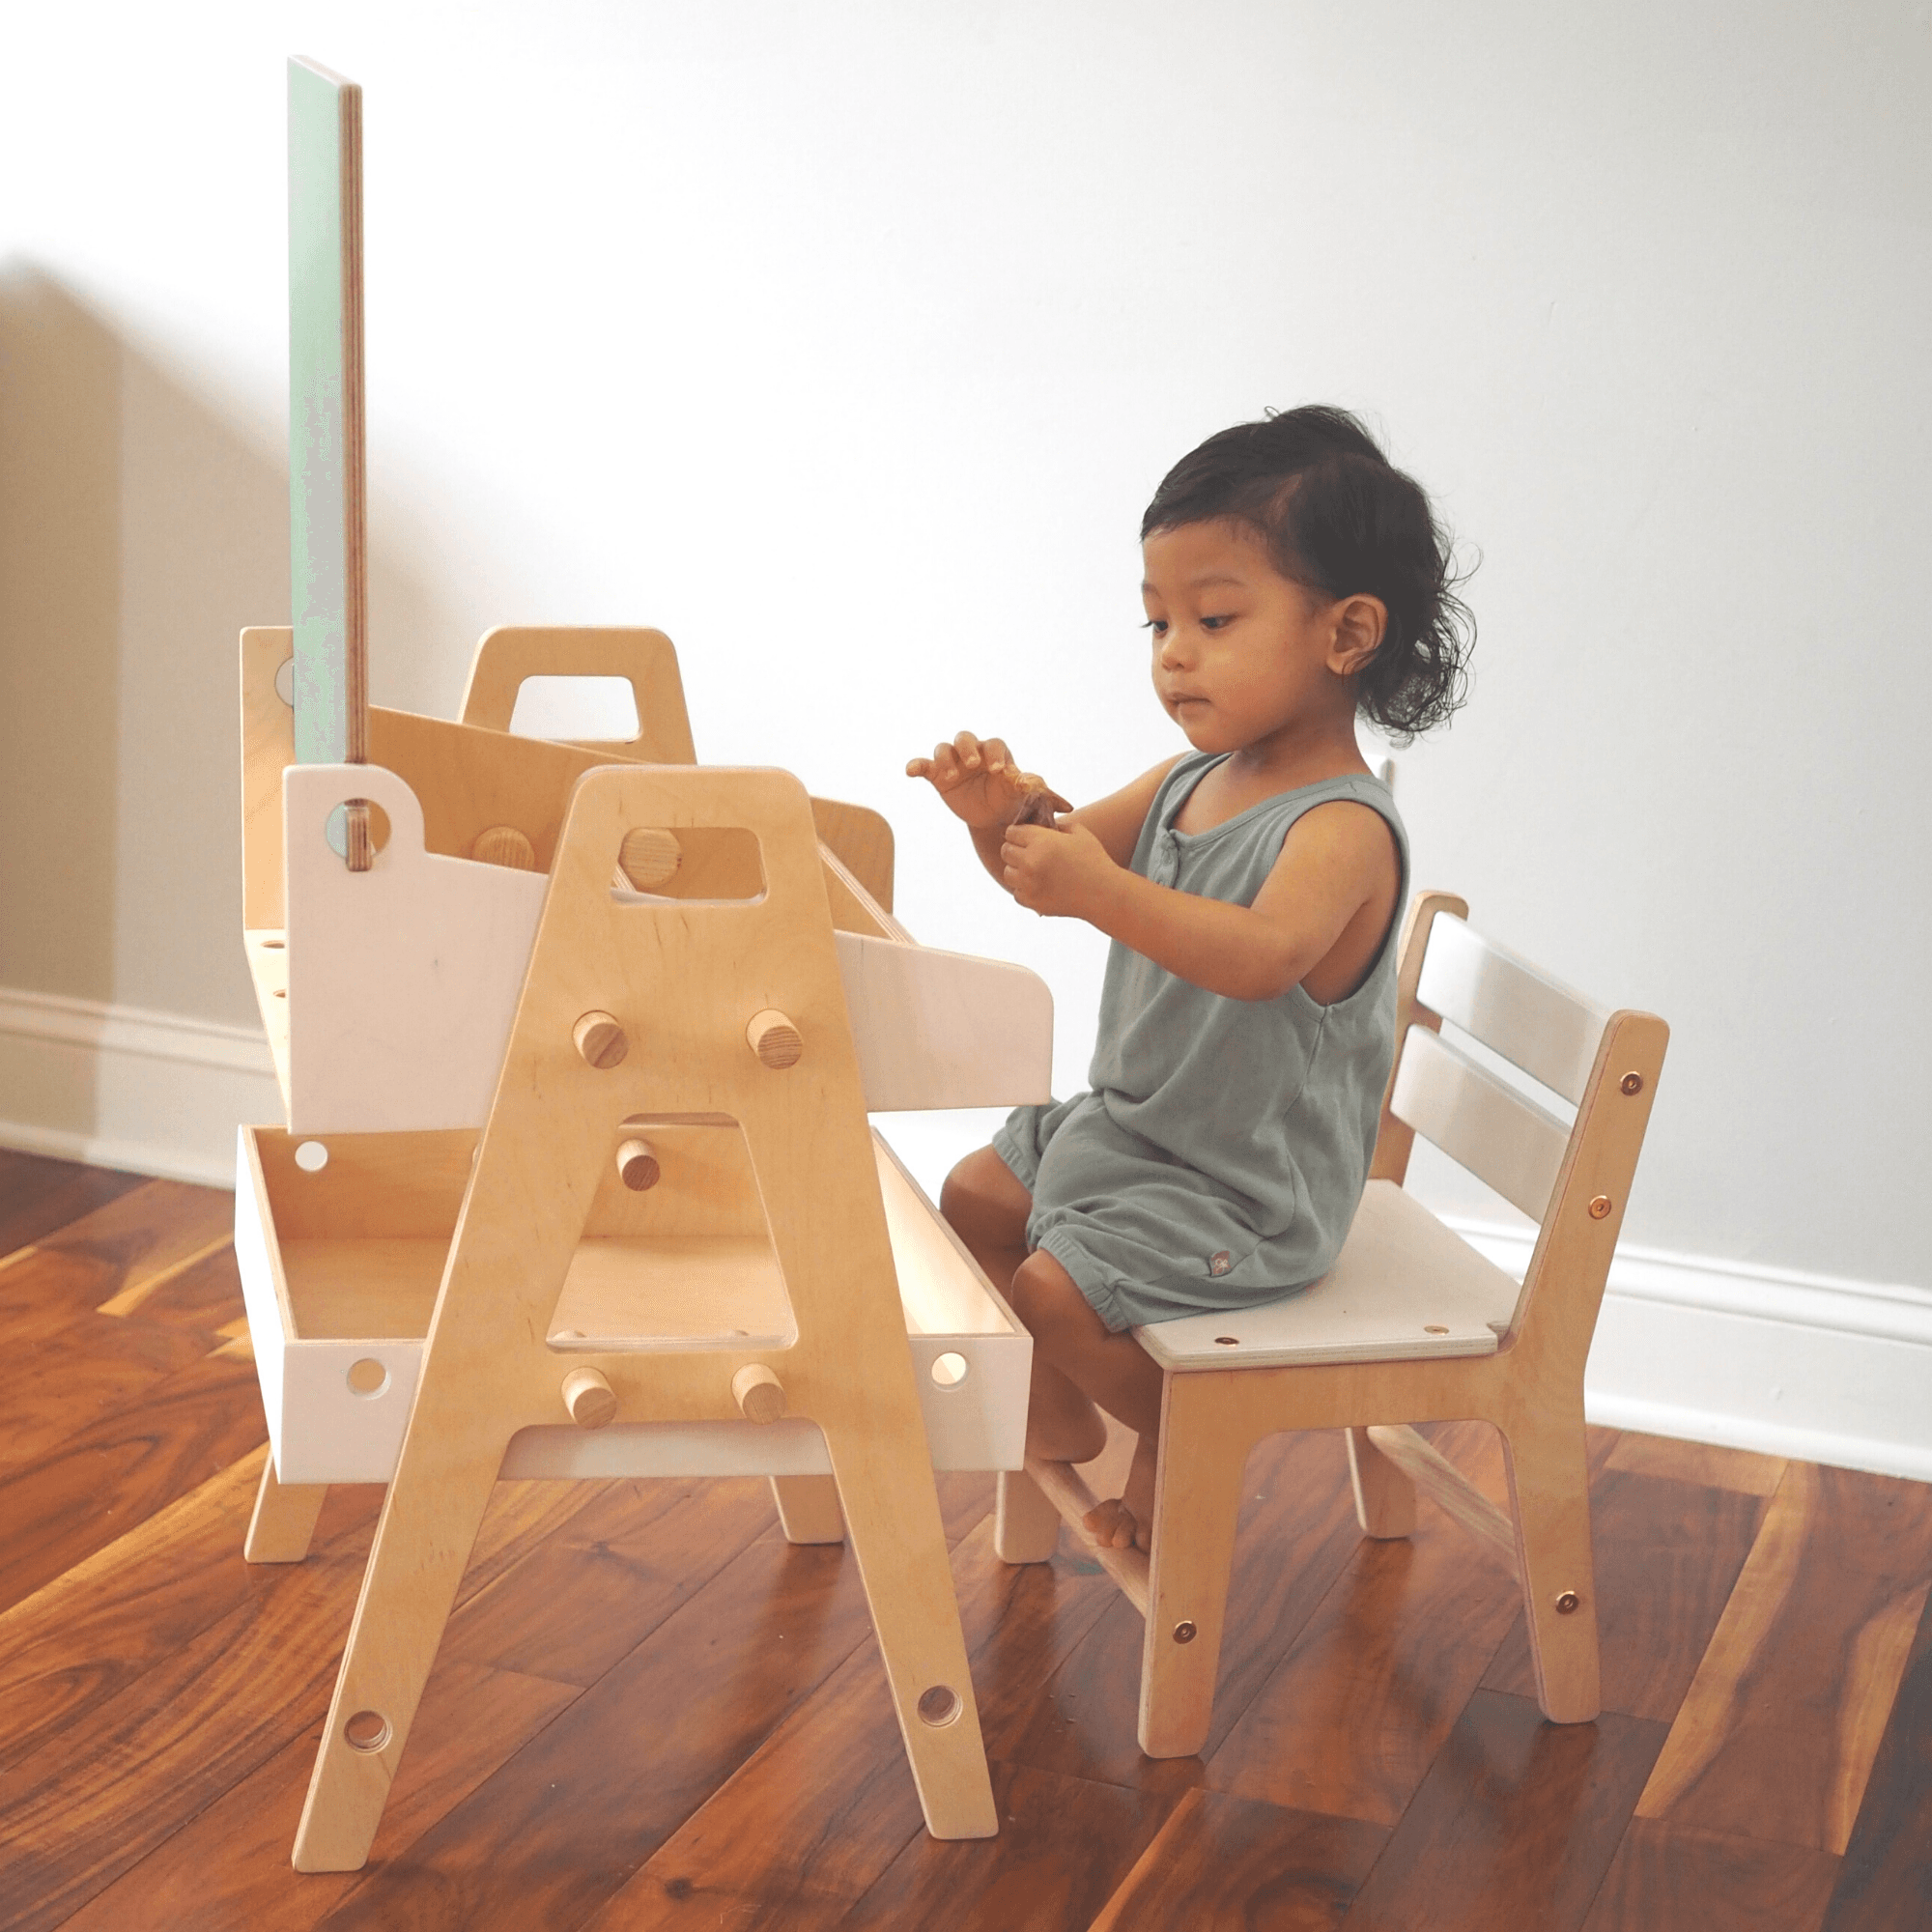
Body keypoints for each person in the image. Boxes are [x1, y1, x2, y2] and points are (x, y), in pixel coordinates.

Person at [907, 405, 1472, 1551]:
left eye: (1213, 617)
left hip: (1245, 1185)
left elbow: (1260, 958)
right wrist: (997, 819)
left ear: (1347, 633)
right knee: (968, 1198)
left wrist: (1095, 890)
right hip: (1137, 1129)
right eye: (1157, 619)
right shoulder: (1187, 777)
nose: (1173, 650)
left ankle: (1194, 1441)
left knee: (1053, 1290)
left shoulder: (1338, 829)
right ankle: (1060, 1407)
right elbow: (1046, 862)